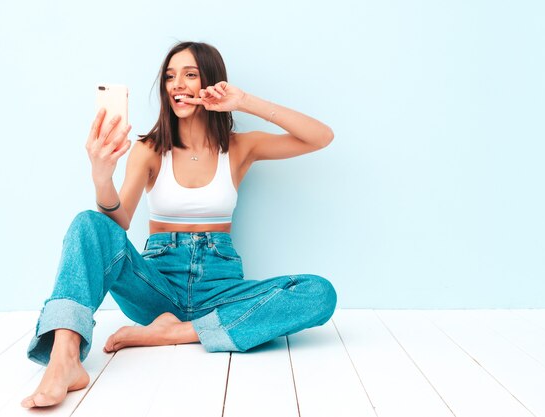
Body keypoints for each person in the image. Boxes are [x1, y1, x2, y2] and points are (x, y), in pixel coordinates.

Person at [21, 41, 337, 409]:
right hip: (156, 289)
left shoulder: (239, 148)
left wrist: (244, 101)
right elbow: (116, 223)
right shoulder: (149, 149)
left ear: (212, 82)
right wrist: (101, 177)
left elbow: (321, 136)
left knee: (319, 293)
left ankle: (179, 333)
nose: (177, 84)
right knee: (87, 223)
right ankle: (64, 358)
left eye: (190, 74)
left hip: (220, 291)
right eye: (170, 76)